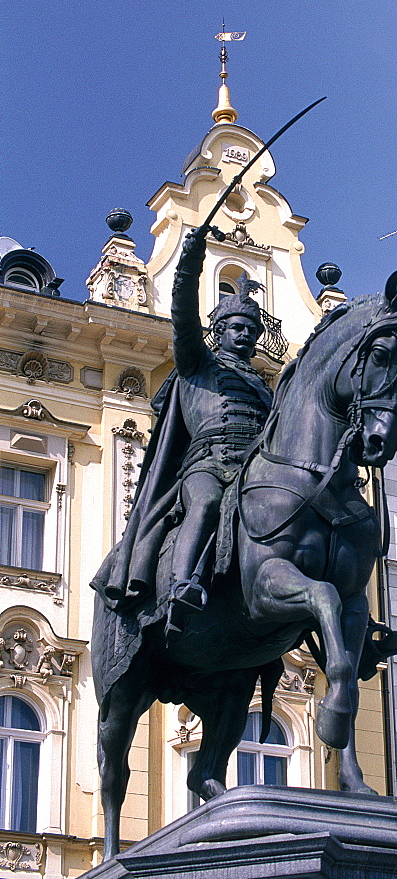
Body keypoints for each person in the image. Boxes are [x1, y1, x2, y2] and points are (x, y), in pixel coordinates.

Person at [94, 225, 273, 634]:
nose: (246, 335)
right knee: (207, 503)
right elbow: (182, 315)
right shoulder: (198, 363)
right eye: (237, 328)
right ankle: (181, 586)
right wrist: (190, 262)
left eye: (252, 329)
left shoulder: (264, 388)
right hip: (208, 466)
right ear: (220, 332)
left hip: (254, 472)